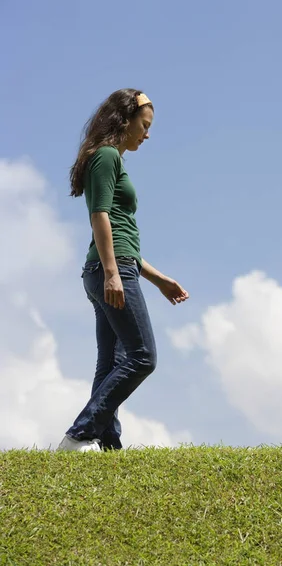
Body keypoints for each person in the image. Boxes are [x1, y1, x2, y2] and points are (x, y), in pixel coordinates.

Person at [57, 88, 189, 452]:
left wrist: (158, 278)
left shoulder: (113, 159)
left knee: (111, 362)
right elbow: (99, 215)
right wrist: (114, 274)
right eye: (144, 126)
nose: (147, 134)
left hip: (112, 267)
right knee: (142, 356)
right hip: (109, 271)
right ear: (125, 120)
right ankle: (79, 434)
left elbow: (122, 236)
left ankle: (108, 445)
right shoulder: (105, 157)